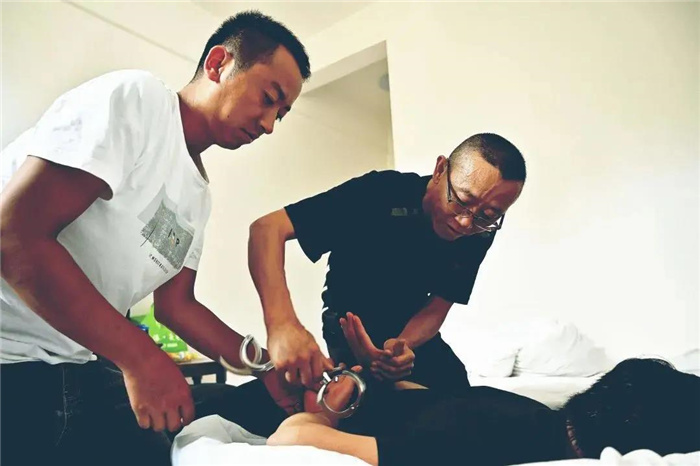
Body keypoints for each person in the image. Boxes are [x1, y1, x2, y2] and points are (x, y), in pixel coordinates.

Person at [0, 10, 312, 466]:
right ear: (218, 64)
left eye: (280, 115)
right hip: (12, 361)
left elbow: (176, 306)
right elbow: (15, 236)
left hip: (74, 366)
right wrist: (140, 357)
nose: (268, 125)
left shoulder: (197, 196)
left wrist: (264, 367)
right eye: (268, 99)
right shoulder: (140, 100)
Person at [248, 133, 526, 391]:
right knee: (376, 403)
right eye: (462, 200)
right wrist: (283, 325)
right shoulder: (378, 192)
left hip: (410, 334)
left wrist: (401, 346)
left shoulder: (480, 231)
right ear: (440, 170)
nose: (466, 222)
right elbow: (268, 229)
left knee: (462, 401)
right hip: (350, 328)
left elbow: (439, 305)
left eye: (488, 215)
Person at [268, 355, 700, 466]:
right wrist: (333, 405)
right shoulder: (490, 433)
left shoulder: (535, 419)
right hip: (290, 402)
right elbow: (287, 438)